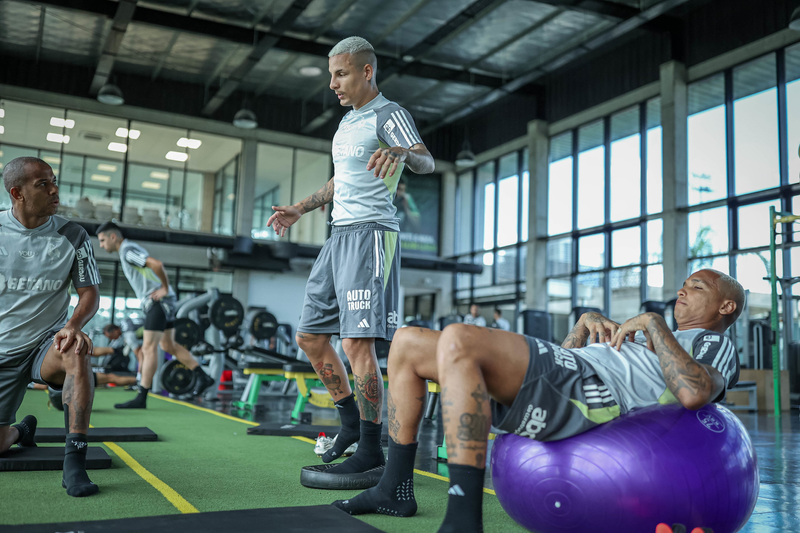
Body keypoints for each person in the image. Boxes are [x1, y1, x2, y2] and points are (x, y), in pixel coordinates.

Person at [332, 269, 744, 532]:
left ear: (726, 306)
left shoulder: (712, 342)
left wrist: (654, 324)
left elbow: (694, 392)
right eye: (684, 284)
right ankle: (394, 487)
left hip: (592, 392)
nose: (682, 290)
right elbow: (563, 361)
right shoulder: (654, 337)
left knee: (459, 337)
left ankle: (462, 522)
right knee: (406, 342)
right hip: (570, 374)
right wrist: (581, 327)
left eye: (697, 287)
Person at [267, 36, 434, 482]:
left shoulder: (388, 114)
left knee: (356, 345)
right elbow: (341, 180)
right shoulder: (346, 123)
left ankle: (372, 448)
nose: (333, 84)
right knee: (309, 336)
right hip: (337, 235)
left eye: (340, 74)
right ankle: (350, 425)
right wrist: (300, 208)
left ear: (366, 71)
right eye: (331, 75)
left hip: (371, 235)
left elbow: (426, 161)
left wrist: (401, 151)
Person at [0, 156, 102, 497]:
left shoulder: (73, 235)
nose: (54, 190)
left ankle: (74, 462)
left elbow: (89, 293)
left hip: (46, 345)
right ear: (17, 193)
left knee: (76, 348)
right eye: (43, 184)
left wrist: (73, 325)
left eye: (54, 181)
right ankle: (20, 431)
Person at [95, 222, 214, 408]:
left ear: (113, 237)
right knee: (168, 345)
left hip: (157, 303)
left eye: (102, 240)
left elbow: (157, 264)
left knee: (148, 348)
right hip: (164, 303)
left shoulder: (127, 251)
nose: (101, 245)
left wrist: (165, 288)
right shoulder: (129, 249)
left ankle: (141, 396)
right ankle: (202, 376)